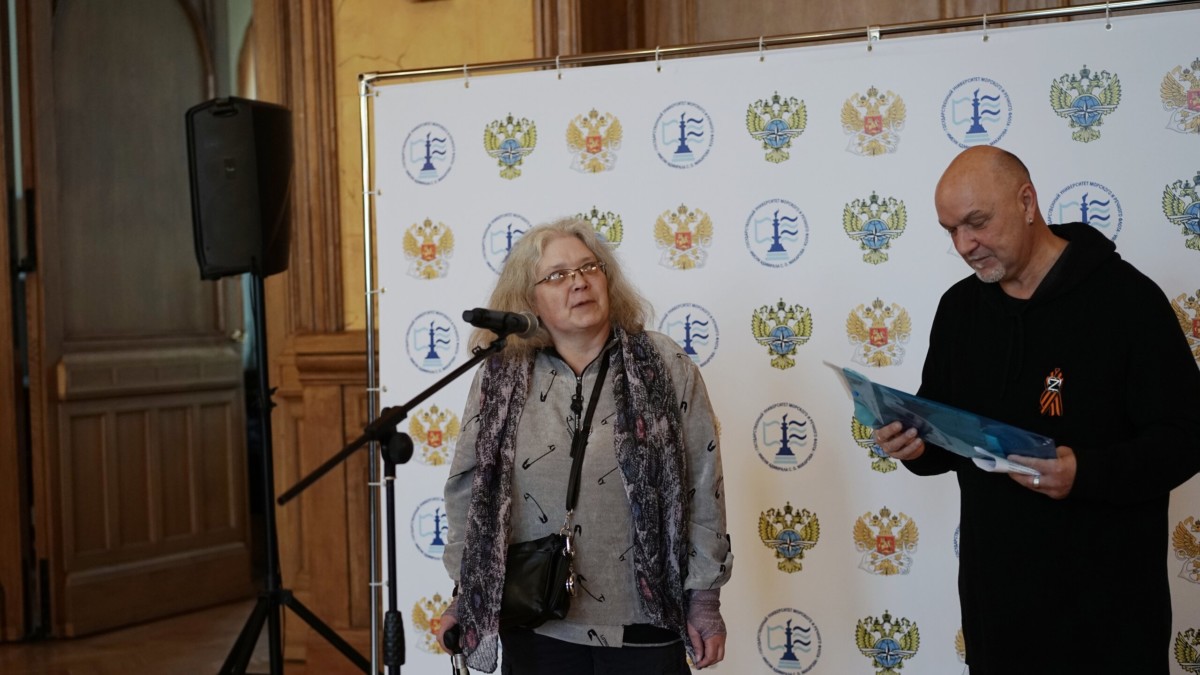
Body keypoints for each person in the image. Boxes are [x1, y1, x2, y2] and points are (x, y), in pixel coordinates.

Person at [875, 146, 1200, 674]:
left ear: (1027, 202)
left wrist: (1085, 473)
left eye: (977, 222)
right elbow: (946, 439)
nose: (964, 245)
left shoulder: (1128, 300)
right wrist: (914, 446)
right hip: (997, 613)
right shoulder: (959, 310)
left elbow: (1186, 437)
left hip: (1111, 616)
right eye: (951, 230)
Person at [434, 217, 733, 674]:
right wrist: (465, 591)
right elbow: (468, 492)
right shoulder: (500, 377)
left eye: (589, 268)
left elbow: (703, 484)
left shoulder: (664, 364)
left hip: (646, 620)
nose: (578, 282)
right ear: (528, 299)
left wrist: (705, 599)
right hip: (535, 622)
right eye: (557, 275)